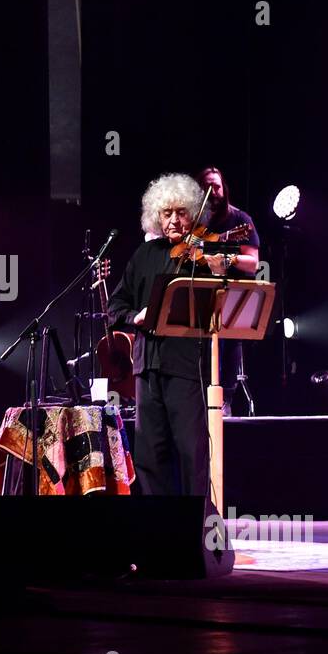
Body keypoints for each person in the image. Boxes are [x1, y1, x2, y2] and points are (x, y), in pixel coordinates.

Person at [106, 173, 232, 496]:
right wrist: (136, 316)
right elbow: (115, 305)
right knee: (150, 456)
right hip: (146, 368)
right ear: (156, 216)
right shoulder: (142, 256)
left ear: (193, 214)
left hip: (185, 367)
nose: (174, 220)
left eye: (181, 212)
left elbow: (219, 301)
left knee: (192, 453)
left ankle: (198, 530)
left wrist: (216, 267)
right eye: (167, 213)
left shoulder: (200, 258)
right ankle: (159, 531)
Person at [198, 167, 261, 412]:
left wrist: (225, 260)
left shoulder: (240, 221)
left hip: (231, 296)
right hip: (199, 294)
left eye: (217, 186)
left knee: (228, 340)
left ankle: (225, 401)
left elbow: (253, 262)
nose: (212, 192)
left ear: (224, 189)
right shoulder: (194, 221)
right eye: (207, 187)